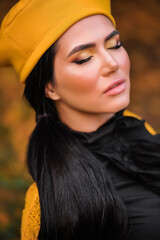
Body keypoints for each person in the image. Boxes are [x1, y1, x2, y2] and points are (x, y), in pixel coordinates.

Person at [0, 0, 160, 239]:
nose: (112, 63)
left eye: (115, 45)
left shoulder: (138, 129)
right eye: (84, 58)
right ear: (49, 87)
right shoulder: (48, 205)